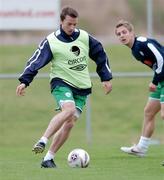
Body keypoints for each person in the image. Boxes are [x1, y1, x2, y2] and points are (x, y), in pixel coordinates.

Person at [16, 6, 113, 168]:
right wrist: (25, 81)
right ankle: (42, 140)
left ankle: (48, 158)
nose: (72, 27)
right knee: (68, 110)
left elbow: (100, 53)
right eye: (69, 24)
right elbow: (36, 61)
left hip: (82, 86)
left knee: (70, 123)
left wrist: (106, 77)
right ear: (61, 22)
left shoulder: (83, 37)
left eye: (75, 24)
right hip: (61, 83)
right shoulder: (51, 41)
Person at [115, 19, 164, 158]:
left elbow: (161, 59)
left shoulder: (142, 42)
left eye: (124, 32)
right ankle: (141, 148)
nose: (122, 36)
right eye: (118, 34)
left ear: (132, 33)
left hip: (161, 78)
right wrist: (157, 80)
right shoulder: (134, 51)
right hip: (161, 79)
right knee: (149, 112)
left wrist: (154, 81)